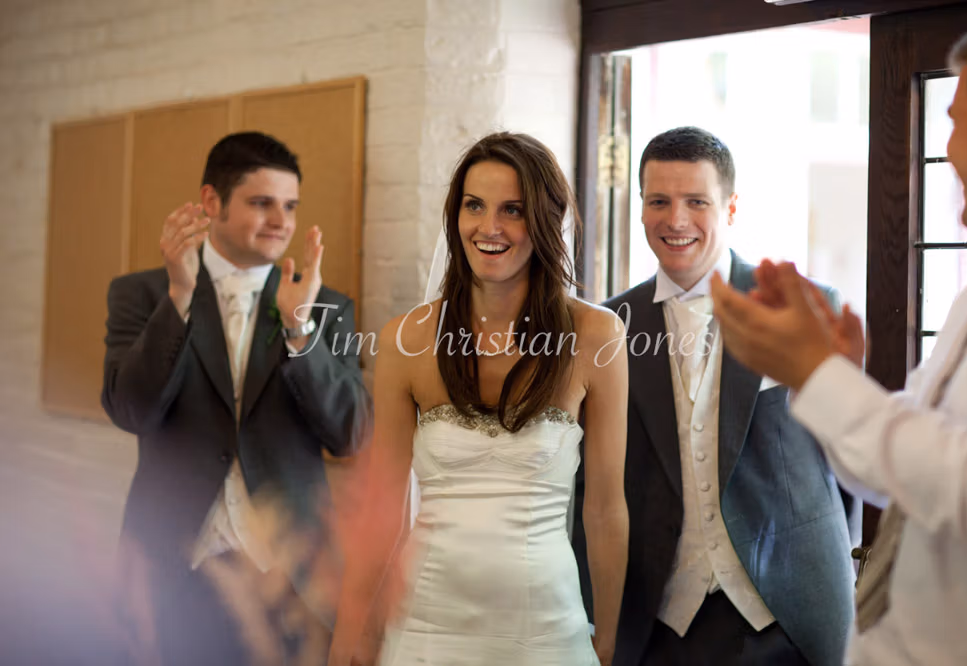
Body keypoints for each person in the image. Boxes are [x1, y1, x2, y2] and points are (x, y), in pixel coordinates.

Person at [710, 18, 967, 666]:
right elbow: (897, 480)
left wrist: (821, 377)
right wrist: (842, 381)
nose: (945, 148)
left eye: (956, 119)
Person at [329, 131, 629, 666]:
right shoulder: (407, 339)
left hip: (547, 633)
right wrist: (349, 633)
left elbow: (605, 508)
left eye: (512, 210)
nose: (489, 228)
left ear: (545, 219)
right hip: (424, 629)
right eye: (474, 206)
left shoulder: (598, 337)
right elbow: (382, 509)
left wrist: (606, 638)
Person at [574, 126, 861, 666]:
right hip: (657, 622)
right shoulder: (608, 325)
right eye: (659, 201)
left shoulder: (801, 305)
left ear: (730, 209)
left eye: (696, 202)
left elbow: (848, 460)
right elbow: (591, 482)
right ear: (640, 209)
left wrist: (848, 580)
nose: (675, 220)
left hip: (791, 620)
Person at [101, 131, 371, 665]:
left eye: (290, 206)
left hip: (291, 576)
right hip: (170, 562)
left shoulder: (326, 308)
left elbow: (352, 434)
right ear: (211, 202)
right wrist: (179, 298)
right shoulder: (143, 294)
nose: (282, 221)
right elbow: (131, 411)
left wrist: (299, 332)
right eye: (261, 202)